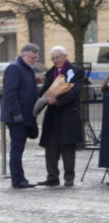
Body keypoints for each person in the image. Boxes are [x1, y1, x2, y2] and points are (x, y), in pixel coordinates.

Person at [37, 46, 86, 187]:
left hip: (68, 114)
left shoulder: (76, 71)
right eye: (52, 58)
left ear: (65, 56)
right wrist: (43, 99)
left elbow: (74, 92)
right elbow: (46, 90)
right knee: (50, 147)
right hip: (52, 115)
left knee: (67, 147)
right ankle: (52, 176)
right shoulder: (50, 72)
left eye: (57, 57)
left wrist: (57, 101)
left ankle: (69, 177)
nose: (55, 60)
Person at [1, 44, 41, 188]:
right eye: (32, 57)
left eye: (36, 57)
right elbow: (10, 93)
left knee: (19, 147)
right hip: (17, 117)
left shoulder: (28, 68)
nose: (34, 60)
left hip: (26, 116)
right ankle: (17, 179)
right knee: (17, 148)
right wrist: (17, 113)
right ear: (23, 55)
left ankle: (19, 177)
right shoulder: (15, 68)